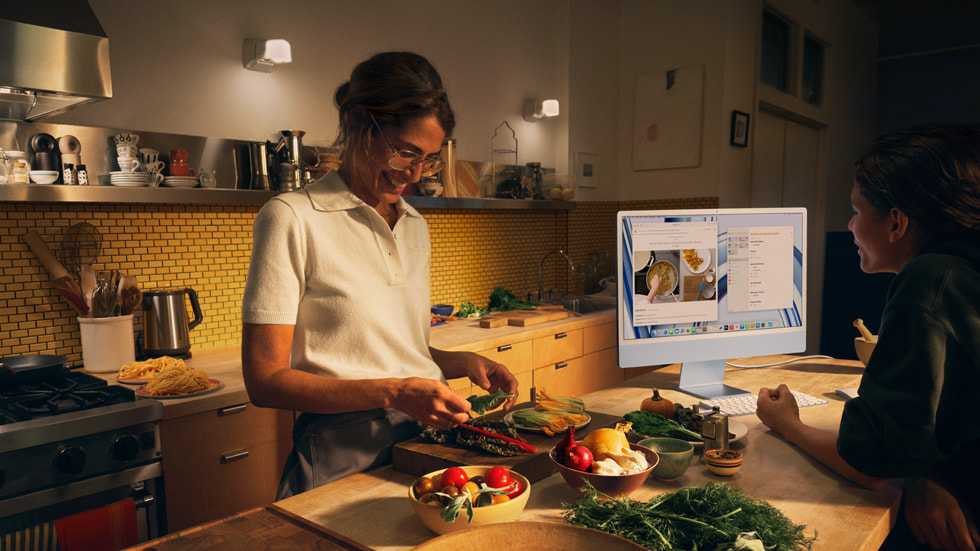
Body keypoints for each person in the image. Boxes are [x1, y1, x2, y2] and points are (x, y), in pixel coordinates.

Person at [241, 51, 519, 499]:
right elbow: (264, 379)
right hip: (341, 453)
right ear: (356, 122)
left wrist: (459, 363)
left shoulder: (414, 225)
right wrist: (395, 393)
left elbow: (392, 349)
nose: (413, 175)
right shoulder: (291, 218)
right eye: (406, 151)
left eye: (427, 160)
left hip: (428, 446)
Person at [756, 125, 980, 551]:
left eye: (857, 211)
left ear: (896, 222)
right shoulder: (964, 271)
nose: (850, 224)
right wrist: (920, 474)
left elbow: (870, 463)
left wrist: (788, 425)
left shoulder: (929, 283)